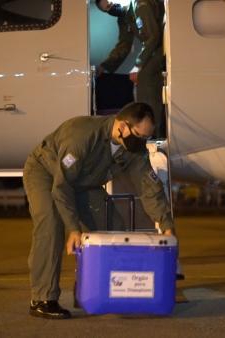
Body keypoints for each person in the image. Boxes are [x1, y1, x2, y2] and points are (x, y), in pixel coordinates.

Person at [24, 102, 175, 319]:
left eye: (146, 138)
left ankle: (91, 290)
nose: (142, 142)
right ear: (122, 127)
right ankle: (42, 298)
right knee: (51, 226)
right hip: (47, 172)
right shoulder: (81, 136)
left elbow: (149, 186)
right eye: (140, 136)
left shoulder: (132, 148)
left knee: (113, 230)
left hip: (84, 182)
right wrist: (74, 229)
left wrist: (166, 224)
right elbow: (61, 187)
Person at [95, 0, 166, 139]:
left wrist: (138, 65)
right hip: (153, 49)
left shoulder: (140, 5)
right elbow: (124, 45)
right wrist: (105, 65)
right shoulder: (124, 16)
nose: (111, 9)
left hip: (161, 47)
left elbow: (154, 37)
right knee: (141, 85)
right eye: (107, 10)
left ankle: (155, 136)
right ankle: (148, 132)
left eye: (109, 4)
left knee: (146, 79)